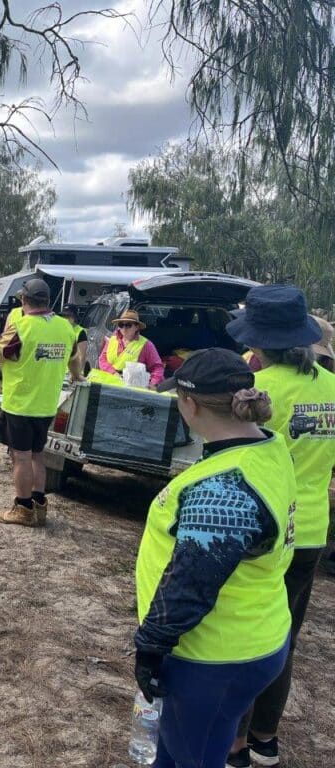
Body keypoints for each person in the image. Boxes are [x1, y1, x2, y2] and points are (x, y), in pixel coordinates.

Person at [133, 348, 296, 768]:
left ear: (189, 403)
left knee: (196, 755)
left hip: (214, 654)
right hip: (255, 628)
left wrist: (151, 646)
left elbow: (192, 583)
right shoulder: (267, 446)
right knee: (176, 749)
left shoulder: (222, 488)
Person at [223, 287, 335, 768]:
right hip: (310, 528)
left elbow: (238, 456)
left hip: (263, 528)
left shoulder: (259, 390)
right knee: (284, 636)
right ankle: (266, 738)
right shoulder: (330, 387)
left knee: (242, 632)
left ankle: (235, 744)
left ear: (261, 342)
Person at [0, 278, 82, 526]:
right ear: (48, 301)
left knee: (22, 456)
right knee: (38, 455)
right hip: (48, 403)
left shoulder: (21, 327)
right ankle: (40, 504)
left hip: (21, 403)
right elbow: (74, 359)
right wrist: (78, 376)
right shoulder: (65, 327)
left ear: (24, 301)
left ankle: (23, 507)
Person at [98, 309, 165, 387]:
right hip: (108, 383)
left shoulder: (146, 345)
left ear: (137, 327)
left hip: (132, 387)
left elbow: (157, 367)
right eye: (121, 325)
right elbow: (102, 359)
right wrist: (113, 373)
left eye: (128, 325)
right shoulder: (112, 340)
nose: (124, 328)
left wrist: (152, 384)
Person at [60, 304, 88, 373]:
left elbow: (81, 357)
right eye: (64, 316)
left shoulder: (80, 332)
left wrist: (76, 374)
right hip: (59, 370)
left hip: (71, 372)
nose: (65, 319)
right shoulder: (59, 329)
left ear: (75, 317)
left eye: (68, 316)